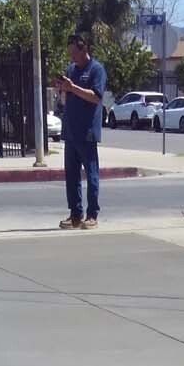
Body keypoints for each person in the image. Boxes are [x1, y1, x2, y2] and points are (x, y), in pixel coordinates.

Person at [53, 34, 107, 230]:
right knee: (72, 175)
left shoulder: (96, 70)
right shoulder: (71, 70)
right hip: (70, 131)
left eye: (74, 53)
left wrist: (73, 87)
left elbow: (95, 97)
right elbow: (65, 99)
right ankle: (75, 215)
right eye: (70, 53)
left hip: (87, 132)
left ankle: (92, 215)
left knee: (91, 173)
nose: (72, 57)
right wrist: (61, 89)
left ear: (84, 50)